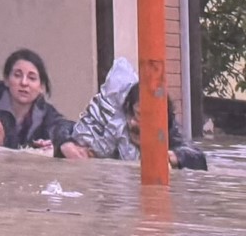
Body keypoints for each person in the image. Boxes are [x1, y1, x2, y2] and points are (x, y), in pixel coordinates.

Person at [60, 58, 208, 170]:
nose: (132, 123)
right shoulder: (113, 122)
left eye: (141, 116)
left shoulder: (168, 132)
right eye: (133, 114)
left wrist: (175, 157)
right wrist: (65, 144)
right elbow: (65, 126)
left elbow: (198, 157)